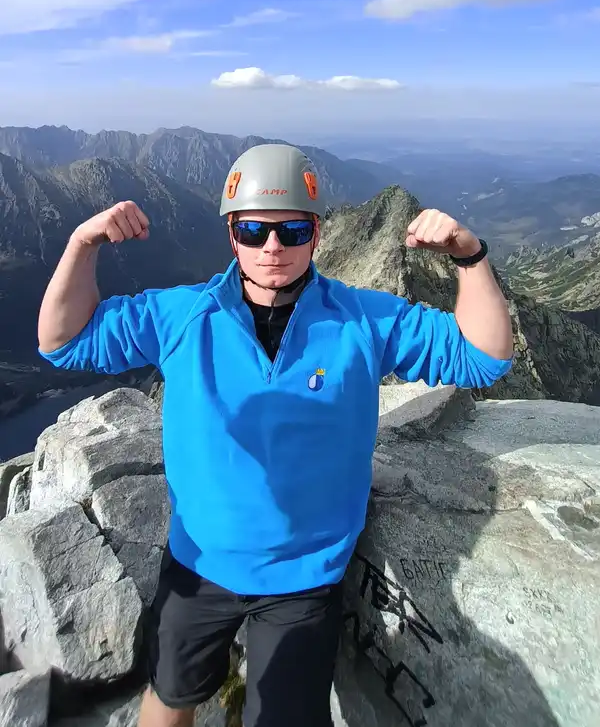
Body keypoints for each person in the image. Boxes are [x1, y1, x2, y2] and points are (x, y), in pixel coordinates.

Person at [37, 143, 514, 727]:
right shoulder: (183, 315)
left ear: (315, 234)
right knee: (168, 696)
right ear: (232, 235)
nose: (272, 248)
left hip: (304, 578)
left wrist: (470, 257)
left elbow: (483, 358)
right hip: (199, 562)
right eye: (255, 231)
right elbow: (63, 341)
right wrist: (82, 244)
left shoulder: (362, 320)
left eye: (290, 230)